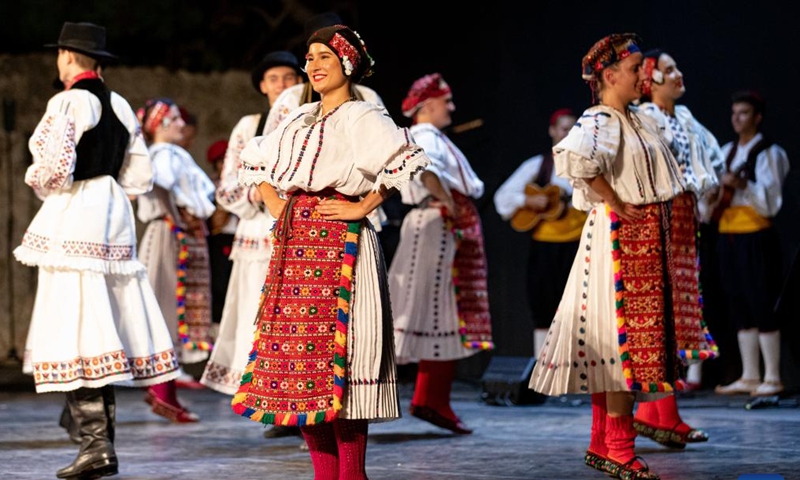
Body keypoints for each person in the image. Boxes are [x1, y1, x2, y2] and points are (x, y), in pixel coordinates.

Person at [230, 24, 430, 479]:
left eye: (324, 56)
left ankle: (351, 473)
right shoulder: (300, 119)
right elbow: (254, 158)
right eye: (310, 57)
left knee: (345, 356)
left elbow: (406, 158)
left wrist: (363, 204)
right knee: (299, 362)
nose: (313, 65)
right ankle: (325, 473)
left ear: (347, 63)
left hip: (342, 248)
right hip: (297, 249)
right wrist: (279, 204)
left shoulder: (362, 117)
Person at [528, 34, 716, 480]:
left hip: (642, 236)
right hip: (619, 239)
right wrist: (613, 200)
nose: (642, 76)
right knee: (620, 343)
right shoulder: (600, 119)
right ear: (610, 76)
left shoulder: (634, 119)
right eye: (635, 70)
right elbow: (575, 160)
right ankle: (618, 446)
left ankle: (601, 442)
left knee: (620, 342)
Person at [13, 21, 180, 479]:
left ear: (67, 57)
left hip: (78, 212)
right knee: (99, 320)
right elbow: (139, 175)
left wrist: (51, 188)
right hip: (111, 214)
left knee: (76, 324)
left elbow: (50, 167)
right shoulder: (122, 105)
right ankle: (85, 428)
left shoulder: (68, 99)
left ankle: (94, 441)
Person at [200, 49, 304, 439]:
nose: (283, 85)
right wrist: (259, 193)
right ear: (262, 86)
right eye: (274, 78)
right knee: (257, 320)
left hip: (299, 233)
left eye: (290, 78)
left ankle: (300, 402)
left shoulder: (312, 118)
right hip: (258, 235)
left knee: (295, 321)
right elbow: (228, 184)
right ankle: (271, 403)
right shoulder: (250, 124)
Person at [388, 73, 494, 435]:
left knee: (442, 312)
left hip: (435, 222)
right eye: (445, 101)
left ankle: (432, 398)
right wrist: (448, 201)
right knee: (438, 310)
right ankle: (430, 399)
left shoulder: (428, 136)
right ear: (428, 105)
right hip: (434, 222)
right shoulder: (423, 136)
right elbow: (426, 168)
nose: (451, 107)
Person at [632, 48, 724, 449]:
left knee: (677, 309)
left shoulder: (682, 118)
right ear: (650, 81)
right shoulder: (646, 119)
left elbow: (710, 158)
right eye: (668, 71)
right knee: (663, 311)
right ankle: (662, 414)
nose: (678, 74)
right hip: (660, 216)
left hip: (683, 216)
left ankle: (652, 414)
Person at [136, 97, 217, 422]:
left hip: (173, 235)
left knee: (170, 308)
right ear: (162, 126)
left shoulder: (168, 153)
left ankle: (165, 388)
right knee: (167, 308)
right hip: (170, 237)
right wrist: (177, 214)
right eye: (176, 121)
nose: (183, 126)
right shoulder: (163, 153)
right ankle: (163, 390)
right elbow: (162, 183)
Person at [711, 90, 790, 397]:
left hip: (756, 234)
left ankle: (773, 375)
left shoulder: (770, 152)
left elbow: (771, 201)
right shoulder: (727, 150)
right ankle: (749, 374)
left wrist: (742, 184)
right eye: (734, 113)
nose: (737, 118)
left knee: (761, 299)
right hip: (728, 232)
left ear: (757, 117)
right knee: (737, 301)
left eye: (744, 113)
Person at [493, 108, 585, 358]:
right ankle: (542, 365)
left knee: (581, 307)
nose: (569, 133)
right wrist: (529, 201)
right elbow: (503, 197)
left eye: (574, 128)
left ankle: (577, 367)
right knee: (543, 305)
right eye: (564, 128)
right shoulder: (539, 164)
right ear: (552, 131)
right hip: (546, 246)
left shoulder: (587, 165)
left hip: (579, 245)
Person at [204, 139, 237, 331]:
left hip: (237, 238)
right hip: (218, 239)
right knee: (219, 283)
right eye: (221, 161)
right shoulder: (211, 186)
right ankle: (217, 329)